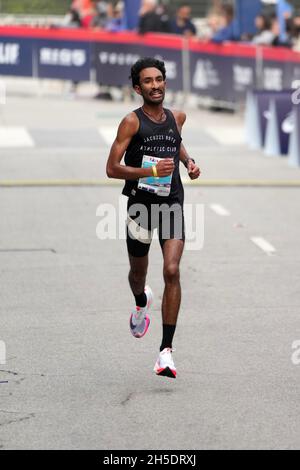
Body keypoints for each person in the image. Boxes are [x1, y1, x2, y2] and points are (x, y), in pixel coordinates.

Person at [106, 57, 201, 379]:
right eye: (148, 81)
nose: (155, 85)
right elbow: (111, 169)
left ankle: (165, 352)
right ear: (137, 88)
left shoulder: (178, 117)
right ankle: (140, 300)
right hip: (140, 206)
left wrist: (189, 162)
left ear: (165, 82)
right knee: (137, 273)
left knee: (172, 270)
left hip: (171, 202)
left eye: (159, 79)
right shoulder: (131, 122)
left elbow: (176, 142)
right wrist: (149, 171)